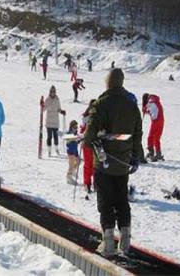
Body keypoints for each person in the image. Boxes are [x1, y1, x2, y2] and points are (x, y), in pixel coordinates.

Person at [83, 68, 142, 258]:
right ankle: (125, 242)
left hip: (104, 162)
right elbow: (138, 134)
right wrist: (135, 155)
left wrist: (89, 140)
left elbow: (89, 134)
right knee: (122, 200)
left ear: (108, 82)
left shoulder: (101, 103)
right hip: (123, 163)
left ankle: (108, 243)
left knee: (106, 202)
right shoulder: (132, 104)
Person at [44, 85, 66, 156]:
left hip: (56, 121)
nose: (53, 93)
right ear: (50, 92)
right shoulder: (47, 99)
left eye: (54, 92)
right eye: (52, 92)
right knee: (49, 137)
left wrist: (61, 111)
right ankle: (49, 150)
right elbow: (43, 109)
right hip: (49, 121)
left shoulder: (57, 99)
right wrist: (42, 105)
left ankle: (56, 149)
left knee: (56, 136)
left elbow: (58, 108)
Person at [142, 93, 165, 161]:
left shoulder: (150, 101)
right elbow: (151, 110)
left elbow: (145, 109)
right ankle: (158, 153)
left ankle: (151, 153)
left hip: (156, 121)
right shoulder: (156, 101)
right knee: (156, 137)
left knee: (150, 137)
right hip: (161, 120)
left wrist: (144, 108)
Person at [80, 99, 96, 193]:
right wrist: (81, 135)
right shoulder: (86, 118)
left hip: (96, 144)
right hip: (87, 144)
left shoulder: (99, 117)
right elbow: (81, 130)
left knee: (96, 165)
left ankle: (96, 183)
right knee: (88, 165)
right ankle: (87, 183)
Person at [65, 120, 80, 185]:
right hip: (71, 152)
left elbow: (76, 140)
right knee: (71, 165)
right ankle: (69, 178)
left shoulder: (76, 134)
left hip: (75, 151)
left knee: (79, 161)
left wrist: (78, 140)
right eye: (74, 127)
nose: (76, 128)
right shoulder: (69, 134)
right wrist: (73, 139)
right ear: (71, 127)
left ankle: (73, 172)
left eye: (76, 127)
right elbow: (67, 140)